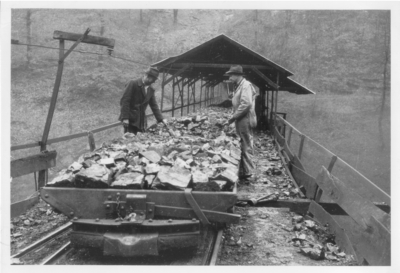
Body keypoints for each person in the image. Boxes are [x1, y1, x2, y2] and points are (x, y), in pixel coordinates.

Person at [224, 65, 257, 183]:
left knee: (247, 144)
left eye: (231, 75)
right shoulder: (240, 85)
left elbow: (246, 104)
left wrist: (233, 117)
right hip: (241, 119)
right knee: (242, 144)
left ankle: (251, 173)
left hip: (245, 119)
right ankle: (245, 172)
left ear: (238, 75)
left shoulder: (246, 85)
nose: (230, 77)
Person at [119, 67, 168, 134]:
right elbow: (125, 101)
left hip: (141, 121)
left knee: (140, 140)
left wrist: (161, 119)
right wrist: (125, 118)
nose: (153, 81)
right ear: (146, 76)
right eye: (152, 79)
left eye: (154, 80)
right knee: (130, 139)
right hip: (130, 120)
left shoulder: (151, 90)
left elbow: (154, 105)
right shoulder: (133, 83)